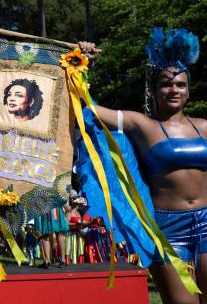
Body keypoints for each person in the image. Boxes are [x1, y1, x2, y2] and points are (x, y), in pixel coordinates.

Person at [79, 29, 206, 303]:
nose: (174, 90)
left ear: (188, 91)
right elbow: (88, 110)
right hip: (167, 230)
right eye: (166, 84)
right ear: (154, 89)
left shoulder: (204, 127)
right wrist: (82, 66)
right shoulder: (142, 125)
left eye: (181, 85)